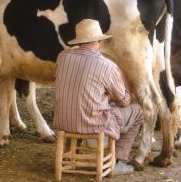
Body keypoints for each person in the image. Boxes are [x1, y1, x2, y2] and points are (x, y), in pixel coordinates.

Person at [53, 19, 144, 175]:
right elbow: (124, 101)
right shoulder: (106, 65)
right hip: (93, 124)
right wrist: (129, 94)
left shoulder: (62, 56)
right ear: (99, 41)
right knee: (137, 111)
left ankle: (69, 158)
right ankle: (119, 161)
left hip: (63, 121)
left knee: (78, 105)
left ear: (79, 40)